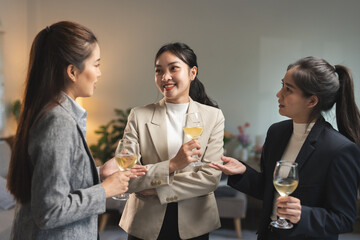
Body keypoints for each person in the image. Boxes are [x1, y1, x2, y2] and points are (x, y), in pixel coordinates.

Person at [6, 21, 146, 240]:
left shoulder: (54, 113)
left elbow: (57, 182)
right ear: (72, 71)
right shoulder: (58, 121)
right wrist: (106, 190)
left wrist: (98, 174)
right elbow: (49, 211)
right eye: (96, 64)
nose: (99, 73)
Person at [210, 56, 360, 240]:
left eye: (288, 90)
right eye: (283, 85)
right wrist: (242, 172)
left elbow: (344, 219)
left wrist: (302, 214)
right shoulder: (277, 132)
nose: (278, 94)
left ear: (311, 101)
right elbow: (269, 190)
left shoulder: (339, 149)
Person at [119, 42, 224, 240]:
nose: (165, 77)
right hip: (144, 222)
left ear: (192, 73)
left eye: (173, 68)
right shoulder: (139, 115)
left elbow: (210, 178)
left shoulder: (213, 117)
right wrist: (174, 164)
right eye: (159, 71)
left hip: (195, 223)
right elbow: (127, 176)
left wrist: (157, 189)